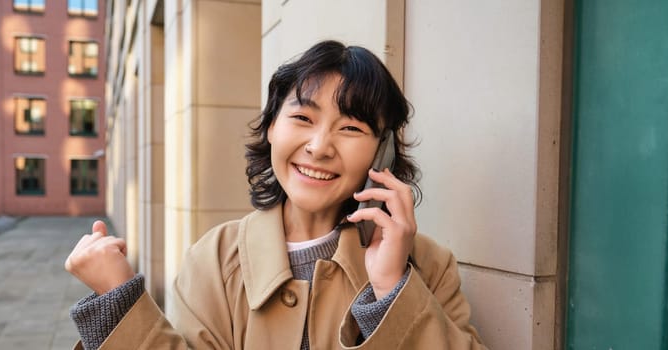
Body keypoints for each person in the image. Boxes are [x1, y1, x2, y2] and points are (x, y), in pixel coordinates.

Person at [64, 40, 486, 349]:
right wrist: (119, 302)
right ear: (271, 127)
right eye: (302, 117)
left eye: (351, 128)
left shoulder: (427, 265)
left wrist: (392, 289)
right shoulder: (215, 259)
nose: (320, 146)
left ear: (383, 150)